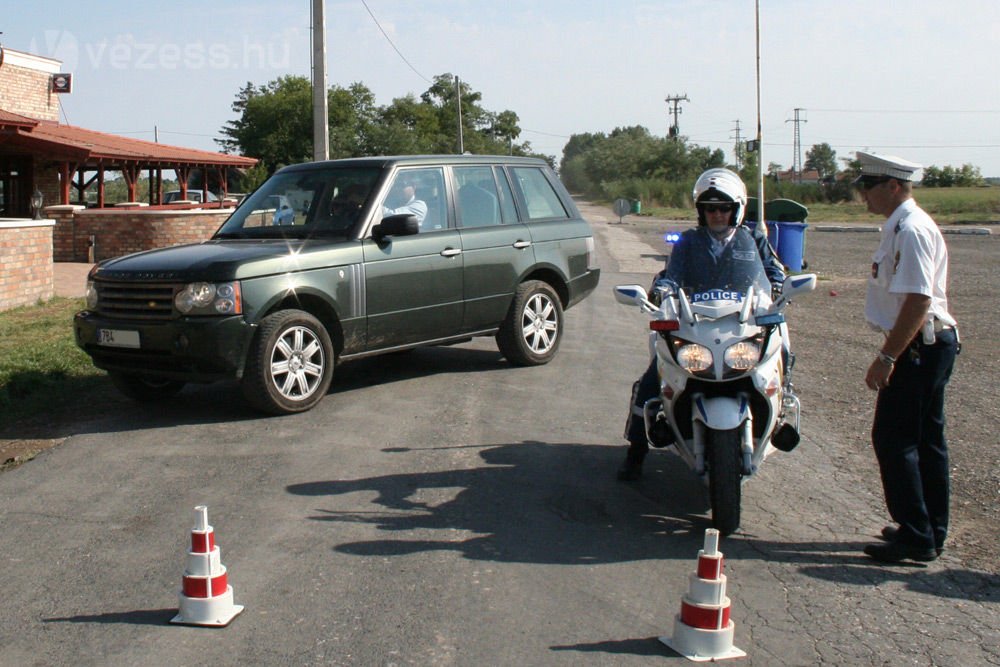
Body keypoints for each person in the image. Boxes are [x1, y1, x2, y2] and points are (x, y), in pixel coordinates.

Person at [617, 168, 786, 481]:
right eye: (710, 208)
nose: (717, 215)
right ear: (701, 211)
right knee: (653, 380)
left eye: (723, 208)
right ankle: (635, 451)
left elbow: (774, 272)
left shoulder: (753, 239)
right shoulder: (688, 242)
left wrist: (778, 287)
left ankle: (783, 404)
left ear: (736, 210)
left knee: (780, 348)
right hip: (696, 323)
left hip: (741, 321)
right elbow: (672, 274)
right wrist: (663, 288)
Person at [854, 152, 959, 564]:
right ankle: (928, 527)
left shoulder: (911, 229)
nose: (864, 196)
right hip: (927, 344)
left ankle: (917, 534)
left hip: (920, 345)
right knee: (924, 440)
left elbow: (918, 300)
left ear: (893, 187)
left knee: (894, 439)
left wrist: (886, 356)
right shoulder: (900, 225)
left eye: (869, 187)